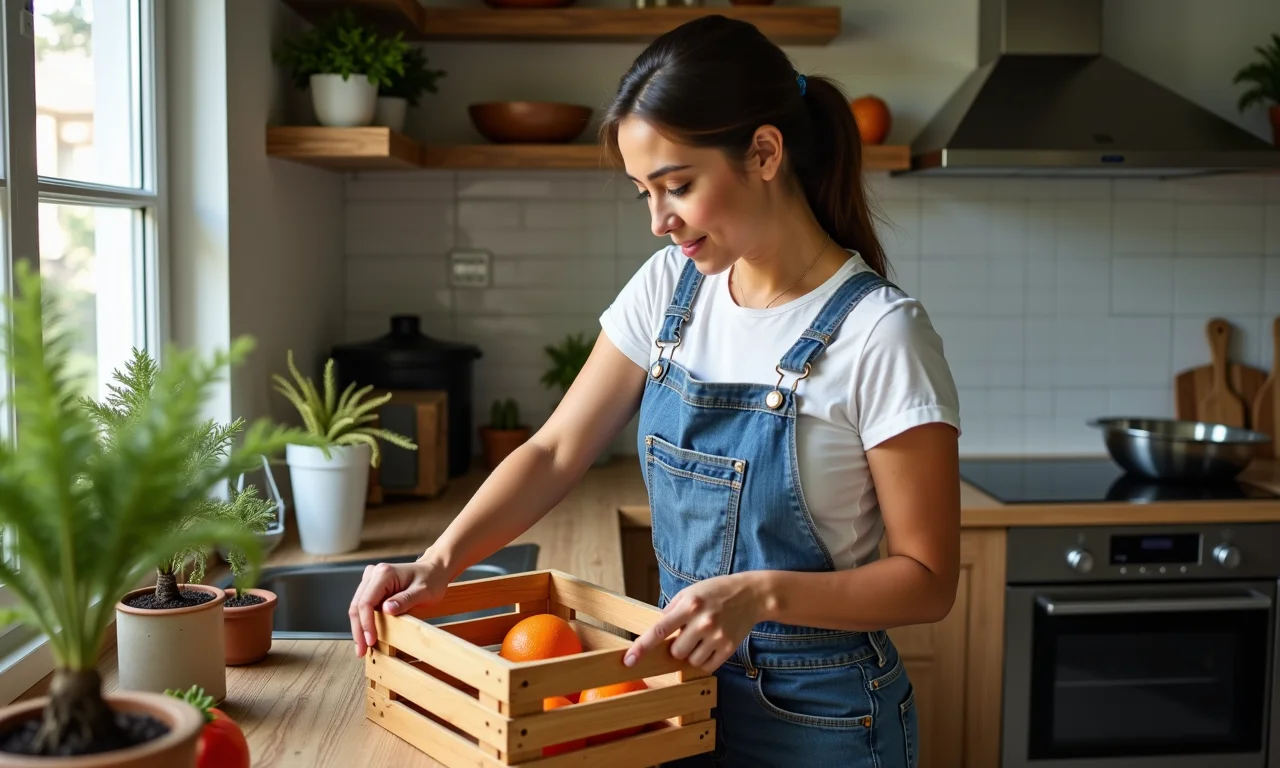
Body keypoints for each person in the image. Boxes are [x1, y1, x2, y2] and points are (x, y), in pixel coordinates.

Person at [348, 14, 961, 767]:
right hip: (674, 698)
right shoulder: (671, 289)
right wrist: (437, 564)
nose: (657, 221)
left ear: (764, 152)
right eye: (644, 192)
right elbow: (555, 449)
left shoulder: (880, 333)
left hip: (822, 721)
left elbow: (928, 582)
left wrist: (761, 595)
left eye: (677, 187)